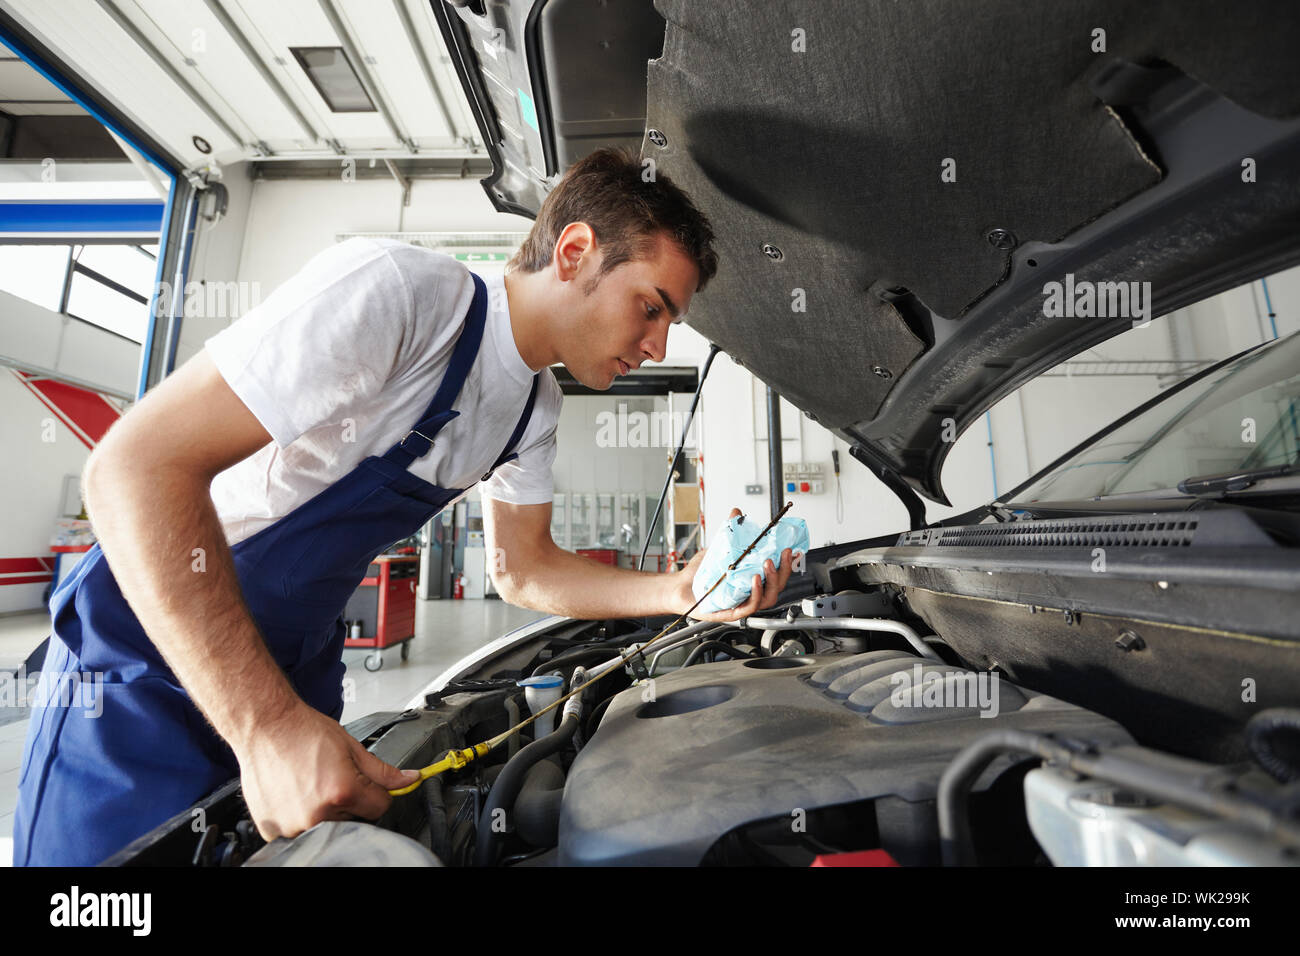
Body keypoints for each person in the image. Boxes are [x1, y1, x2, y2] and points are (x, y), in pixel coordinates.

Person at [13, 148, 798, 866]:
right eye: (651, 307)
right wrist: (266, 729)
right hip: (151, 660)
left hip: (293, 664)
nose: (658, 345)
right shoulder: (400, 296)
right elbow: (133, 468)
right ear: (574, 253)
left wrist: (677, 593)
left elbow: (522, 570)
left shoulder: (534, 408)